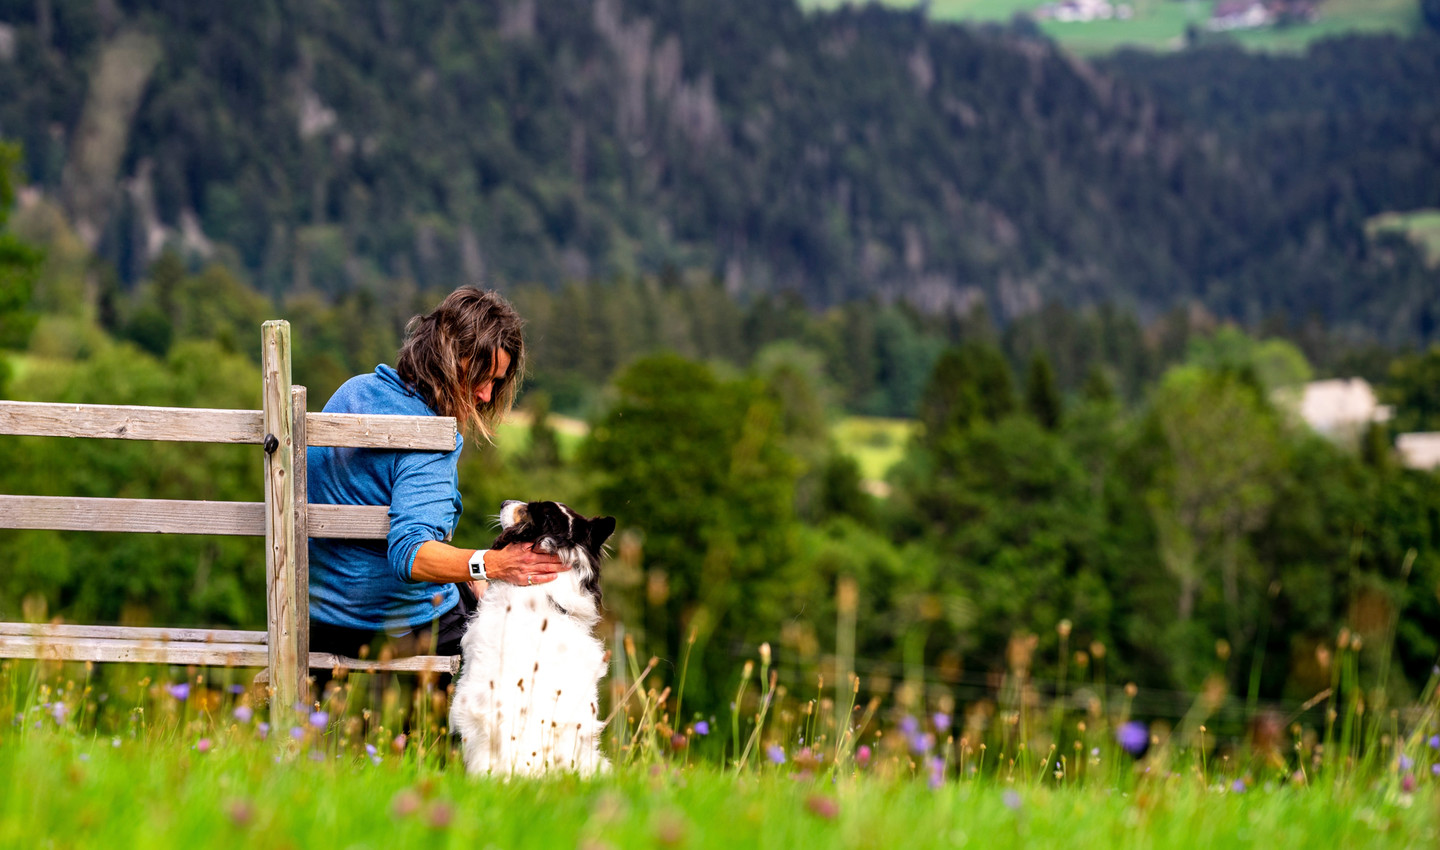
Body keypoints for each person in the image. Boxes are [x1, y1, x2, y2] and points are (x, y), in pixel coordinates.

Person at [306, 287, 568, 662]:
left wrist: (468, 573)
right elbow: (410, 555)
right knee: (521, 642)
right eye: (484, 377)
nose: (486, 396)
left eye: (496, 382)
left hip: (318, 617)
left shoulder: (354, 392)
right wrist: (492, 564)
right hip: (388, 628)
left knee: (471, 587)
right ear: (451, 358)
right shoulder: (429, 439)